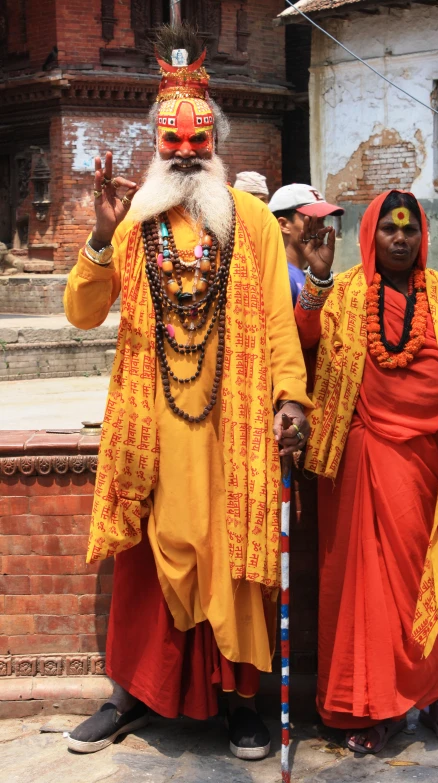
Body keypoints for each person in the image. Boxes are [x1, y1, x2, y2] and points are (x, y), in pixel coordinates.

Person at [63, 25, 311, 759]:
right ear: (154, 145)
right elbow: (81, 315)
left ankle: (240, 708)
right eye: (171, 142)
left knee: (235, 571)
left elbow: (275, 321)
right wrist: (100, 241)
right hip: (153, 435)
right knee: (146, 571)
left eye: (197, 139)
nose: (185, 152)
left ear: (217, 141)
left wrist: (290, 398)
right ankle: (130, 696)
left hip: (230, 434)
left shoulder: (255, 223)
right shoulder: (133, 223)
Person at [294, 189, 438, 753]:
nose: (400, 239)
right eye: (389, 230)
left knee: (426, 584)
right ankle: (373, 707)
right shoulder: (344, 292)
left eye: (411, 230)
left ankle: (434, 696)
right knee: (362, 592)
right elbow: (300, 341)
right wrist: (317, 281)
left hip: (427, 466)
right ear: (370, 236)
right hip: (357, 462)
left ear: (423, 236)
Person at [268, 184, 344, 307]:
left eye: (322, 220)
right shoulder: (282, 278)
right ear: (283, 225)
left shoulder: (303, 274)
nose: (322, 228)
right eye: (313, 221)